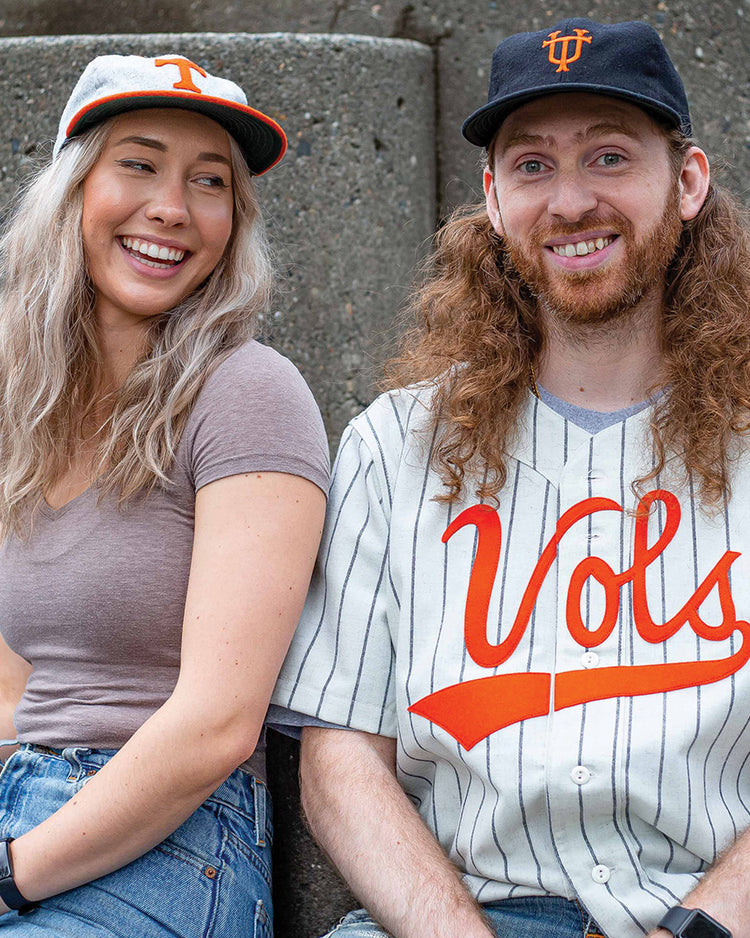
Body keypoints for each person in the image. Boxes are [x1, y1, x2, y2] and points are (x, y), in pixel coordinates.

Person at [270, 18, 750, 938]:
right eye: (533, 166)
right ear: (493, 199)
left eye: (609, 157)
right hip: (474, 911)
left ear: (686, 182)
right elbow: (340, 757)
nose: (570, 202)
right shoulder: (394, 445)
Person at [0, 53, 329, 937]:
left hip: (176, 840)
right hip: (19, 805)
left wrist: (11, 874)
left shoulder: (248, 391)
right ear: (74, 192)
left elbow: (218, 725)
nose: (172, 208)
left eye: (208, 181)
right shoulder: (25, 406)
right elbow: (11, 688)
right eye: (139, 164)